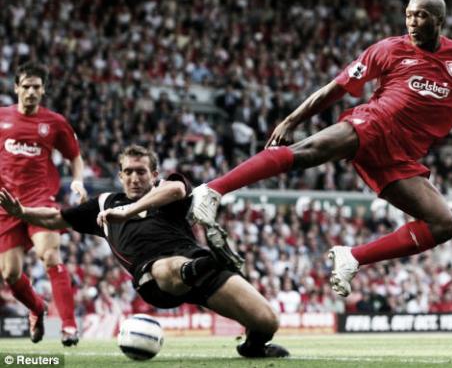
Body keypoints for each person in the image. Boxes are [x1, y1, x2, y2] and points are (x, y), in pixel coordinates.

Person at [188, 0, 452, 297]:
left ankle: (352, 258)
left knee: (442, 225)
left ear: (439, 21)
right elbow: (338, 87)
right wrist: (294, 118)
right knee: (307, 152)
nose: (413, 22)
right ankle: (212, 190)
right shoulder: (389, 48)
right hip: (374, 123)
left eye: (422, 17)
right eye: (410, 15)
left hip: (404, 155)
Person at [0, 145, 289, 358]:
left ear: (154, 174)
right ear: (120, 175)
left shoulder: (166, 190)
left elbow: (177, 190)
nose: (135, 178)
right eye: (128, 172)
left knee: (268, 322)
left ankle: (252, 347)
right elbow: (55, 218)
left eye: (141, 172)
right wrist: (22, 211)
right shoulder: (103, 204)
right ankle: (210, 260)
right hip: (155, 279)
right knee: (170, 267)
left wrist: (128, 211)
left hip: (200, 269)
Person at [0, 62, 87, 346]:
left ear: (44, 89)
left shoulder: (54, 123)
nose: (31, 91)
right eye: (26, 86)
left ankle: (69, 327)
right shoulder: (2, 118)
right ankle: (37, 308)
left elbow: (74, 156)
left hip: (40, 200)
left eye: (36, 86)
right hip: (5, 204)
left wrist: (77, 181)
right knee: (10, 273)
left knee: (50, 256)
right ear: (16, 88)